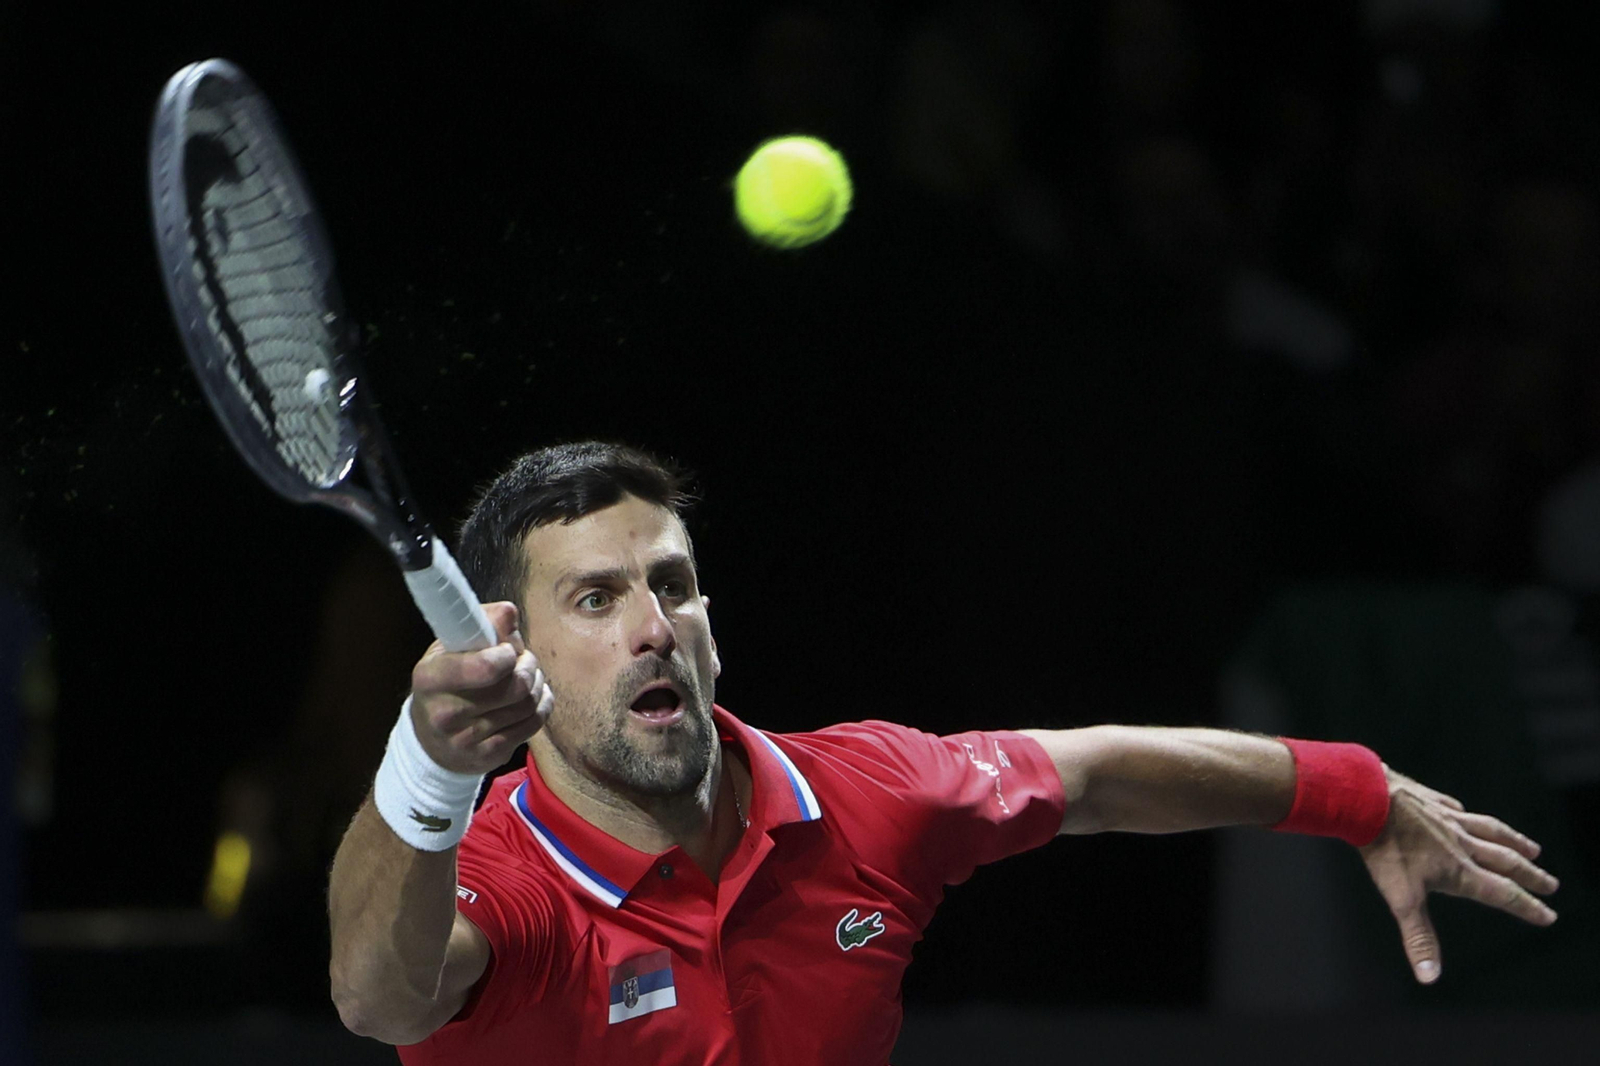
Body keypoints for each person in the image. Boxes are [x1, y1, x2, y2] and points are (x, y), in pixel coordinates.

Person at [328, 441, 1560, 1064]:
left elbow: (1094, 773)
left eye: (674, 584)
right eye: (595, 601)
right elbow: (381, 992)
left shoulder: (863, 796)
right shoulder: (501, 879)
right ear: (512, 648)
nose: (655, 625)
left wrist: (1357, 792)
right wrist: (429, 766)